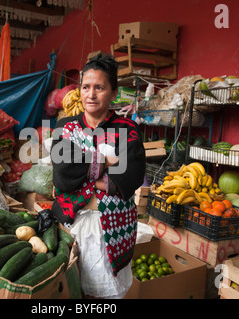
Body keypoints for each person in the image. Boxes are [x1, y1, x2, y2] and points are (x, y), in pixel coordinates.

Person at [50, 54, 146, 298]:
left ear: (113, 93)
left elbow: (131, 176)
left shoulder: (126, 128)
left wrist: (82, 176)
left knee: (102, 295)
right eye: (86, 87)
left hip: (113, 229)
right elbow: (62, 176)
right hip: (71, 223)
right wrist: (105, 160)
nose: (91, 95)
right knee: (68, 289)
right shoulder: (65, 127)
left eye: (100, 88)